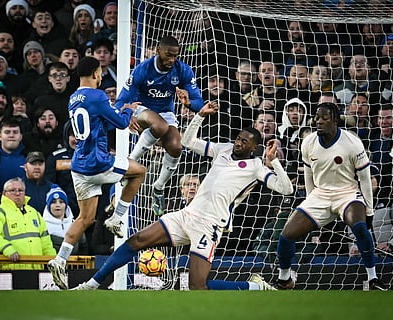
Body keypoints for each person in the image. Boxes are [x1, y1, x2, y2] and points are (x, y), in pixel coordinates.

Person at [70, 101, 294, 291]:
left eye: (245, 142)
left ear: (254, 148)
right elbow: (187, 142)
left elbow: (287, 189)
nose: (238, 143)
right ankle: (93, 283)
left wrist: (273, 161)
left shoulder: (256, 167)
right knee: (136, 240)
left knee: (197, 287)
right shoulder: (222, 149)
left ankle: (255, 286)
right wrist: (199, 116)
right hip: (186, 215)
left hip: (209, 225)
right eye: (238, 138)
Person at [47, 56, 146, 289]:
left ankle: (60, 259)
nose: (101, 75)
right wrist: (128, 110)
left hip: (79, 165)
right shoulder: (97, 95)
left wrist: (119, 112)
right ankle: (117, 217)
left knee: (85, 218)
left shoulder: (74, 97)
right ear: (95, 73)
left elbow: (98, 121)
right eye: (100, 72)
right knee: (139, 171)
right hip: (98, 162)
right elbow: (121, 124)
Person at [274, 102, 388, 291]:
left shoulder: (352, 142)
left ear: (335, 120)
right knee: (286, 235)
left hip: (348, 193)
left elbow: (365, 179)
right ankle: (284, 279)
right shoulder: (308, 142)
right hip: (320, 194)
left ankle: (372, 279)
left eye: (324, 118)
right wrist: (310, 201)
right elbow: (308, 175)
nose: (319, 122)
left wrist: (369, 210)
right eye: (317, 118)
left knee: (360, 228)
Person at [115, 35, 204, 216]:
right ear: (158, 51)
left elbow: (198, 102)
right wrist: (126, 114)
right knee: (160, 125)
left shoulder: (182, 70)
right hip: (141, 110)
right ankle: (129, 164)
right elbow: (122, 99)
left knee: (176, 146)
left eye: (175, 56)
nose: (172, 60)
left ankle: (158, 187)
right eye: (168, 55)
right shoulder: (143, 70)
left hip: (165, 113)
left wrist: (188, 103)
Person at [0, 177, 56, 269]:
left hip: (36, 272)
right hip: (8, 272)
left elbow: (46, 242)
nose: (17, 193)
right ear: (4, 194)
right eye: (12, 190)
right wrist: (6, 248)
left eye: (20, 190)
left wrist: (54, 261)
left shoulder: (34, 213)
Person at [43, 184, 88, 255]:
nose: (58, 205)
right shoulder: (43, 226)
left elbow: (84, 246)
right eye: (53, 202)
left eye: (61, 202)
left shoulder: (75, 223)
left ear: (66, 205)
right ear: (48, 206)